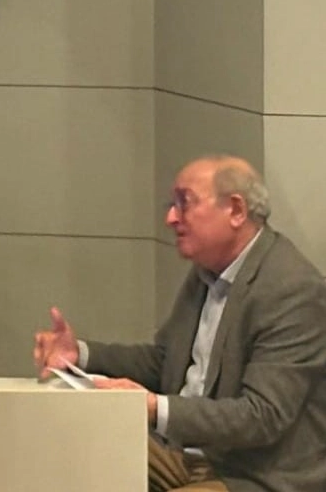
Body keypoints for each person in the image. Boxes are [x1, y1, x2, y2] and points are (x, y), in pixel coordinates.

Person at [33, 156, 326, 492]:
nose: (171, 218)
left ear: (235, 210)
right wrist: (79, 355)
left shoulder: (291, 290)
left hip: (251, 474)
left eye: (184, 203)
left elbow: (261, 416)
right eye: (171, 205)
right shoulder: (206, 271)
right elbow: (165, 362)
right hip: (185, 453)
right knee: (64, 453)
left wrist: (154, 407)